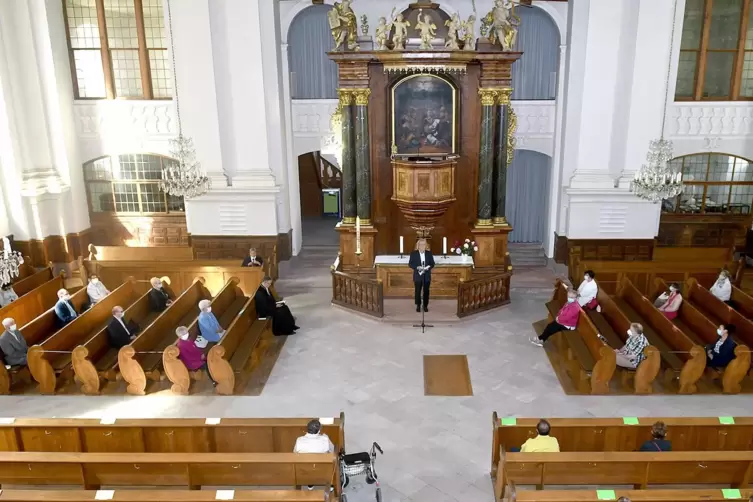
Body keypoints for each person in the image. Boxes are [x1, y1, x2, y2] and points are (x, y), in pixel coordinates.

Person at [408, 239, 436, 313]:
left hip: (426, 275)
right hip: (418, 275)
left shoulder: (429, 253)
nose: (422, 246)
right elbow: (410, 264)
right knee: (418, 291)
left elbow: (432, 263)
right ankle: (418, 305)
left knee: (426, 291)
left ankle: (425, 305)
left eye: (424, 244)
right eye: (420, 244)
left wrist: (428, 267)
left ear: (426, 245)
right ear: (418, 245)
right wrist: (417, 267)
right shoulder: (413, 253)